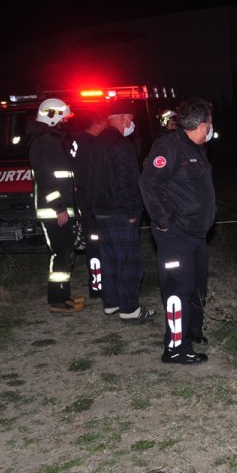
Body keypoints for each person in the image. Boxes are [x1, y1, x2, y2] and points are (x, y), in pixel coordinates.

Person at [139, 97, 216, 365]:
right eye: (210, 123)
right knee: (177, 289)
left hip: (195, 234)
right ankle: (175, 348)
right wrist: (164, 221)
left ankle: (192, 331)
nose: (211, 128)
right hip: (175, 234)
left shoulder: (195, 149)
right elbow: (149, 184)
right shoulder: (169, 147)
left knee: (196, 286)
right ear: (203, 125)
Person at [87, 100, 156, 322]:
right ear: (122, 117)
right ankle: (129, 309)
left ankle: (111, 302)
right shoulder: (121, 144)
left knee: (109, 259)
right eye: (131, 119)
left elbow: (89, 177)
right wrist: (133, 210)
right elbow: (126, 181)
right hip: (120, 211)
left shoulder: (95, 142)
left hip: (101, 210)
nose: (132, 124)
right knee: (129, 261)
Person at [28, 98, 85, 313]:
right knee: (60, 255)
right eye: (64, 117)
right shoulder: (43, 143)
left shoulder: (54, 142)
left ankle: (64, 296)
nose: (66, 122)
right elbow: (46, 180)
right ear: (52, 117)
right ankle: (57, 301)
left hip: (61, 210)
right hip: (53, 211)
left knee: (66, 254)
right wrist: (59, 207)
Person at [69, 112, 109, 299]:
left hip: (83, 203)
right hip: (91, 204)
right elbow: (94, 176)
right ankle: (98, 286)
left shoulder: (77, 142)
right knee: (95, 246)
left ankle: (98, 284)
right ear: (98, 124)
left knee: (93, 245)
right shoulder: (90, 144)